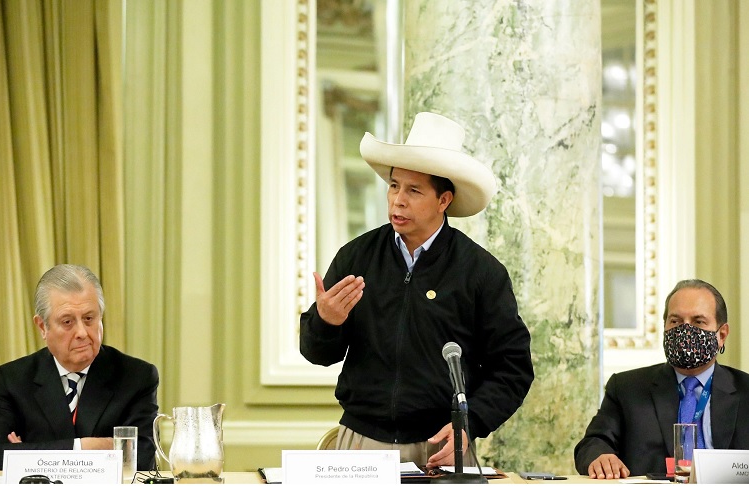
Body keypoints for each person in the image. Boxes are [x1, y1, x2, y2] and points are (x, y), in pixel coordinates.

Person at [300, 112, 534, 468]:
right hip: (361, 443)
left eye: (413, 190)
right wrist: (325, 321)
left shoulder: (481, 272)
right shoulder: (356, 256)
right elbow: (318, 353)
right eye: (394, 186)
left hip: (441, 444)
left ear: (444, 201)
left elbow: (512, 368)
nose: (398, 201)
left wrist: (470, 425)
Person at [0, 264, 159, 471]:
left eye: (89, 319)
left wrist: (29, 453)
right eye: (67, 322)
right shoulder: (12, 379)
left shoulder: (136, 377)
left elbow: (142, 457)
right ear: (42, 327)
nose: (82, 332)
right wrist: (85, 447)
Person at [574, 279, 749, 479]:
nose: (685, 331)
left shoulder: (746, 391)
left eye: (698, 321)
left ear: (722, 334)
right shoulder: (626, 388)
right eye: (675, 321)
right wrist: (601, 457)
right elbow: (593, 443)